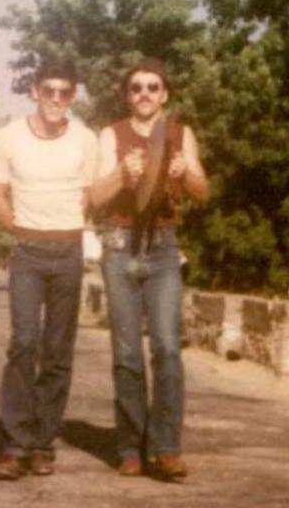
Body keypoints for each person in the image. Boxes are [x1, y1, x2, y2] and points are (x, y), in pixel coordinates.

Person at [88, 57, 209, 479]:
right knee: (125, 353)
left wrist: (184, 172)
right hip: (120, 247)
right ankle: (129, 447)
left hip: (163, 249)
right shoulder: (111, 135)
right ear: (127, 95)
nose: (144, 94)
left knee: (167, 348)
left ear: (165, 94)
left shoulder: (180, 133)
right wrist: (123, 174)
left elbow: (203, 190)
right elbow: (96, 198)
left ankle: (167, 447)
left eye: (152, 87)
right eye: (136, 87)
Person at [0, 59, 98, 480]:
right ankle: (14, 442)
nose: (55, 99)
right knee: (24, 343)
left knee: (58, 350)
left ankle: (43, 442)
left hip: (67, 252)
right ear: (34, 91)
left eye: (64, 92)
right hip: (28, 253)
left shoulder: (85, 139)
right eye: (48, 90)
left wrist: (66, 227)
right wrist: (18, 227)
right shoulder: (9, 136)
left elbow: (90, 195)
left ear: (72, 96)